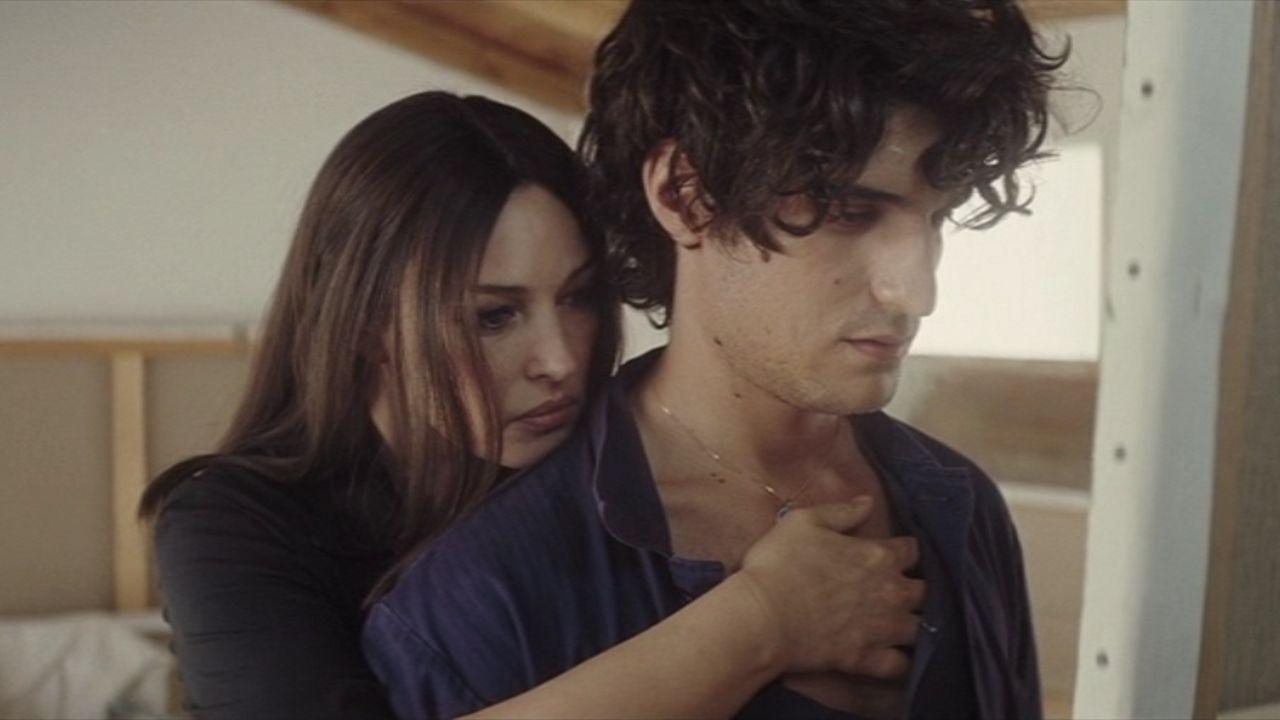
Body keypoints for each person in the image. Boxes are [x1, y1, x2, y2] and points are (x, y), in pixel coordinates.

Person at [364, 0, 1066, 718]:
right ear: (685, 195)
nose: (916, 292)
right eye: (851, 213)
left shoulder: (960, 503)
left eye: (938, 217)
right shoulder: (480, 595)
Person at [141, 91, 923, 719]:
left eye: (578, 298)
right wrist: (761, 621)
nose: (559, 360)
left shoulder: (630, 468)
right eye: (493, 316)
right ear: (367, 323)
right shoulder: (234, 521)